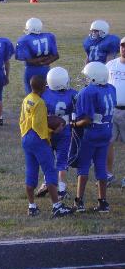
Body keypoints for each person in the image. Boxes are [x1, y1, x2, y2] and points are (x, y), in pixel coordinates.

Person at [19, 75, 74, 218]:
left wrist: (25, 134)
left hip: (26, 137)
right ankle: (56, 206)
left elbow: (23, 120)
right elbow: (39, 125)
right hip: (38, 139)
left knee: (31, 171)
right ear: (43, 87)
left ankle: (31, 206)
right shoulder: (40, 103)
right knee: (50, 171)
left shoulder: (27, 99)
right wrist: (51, 132)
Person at [72, 62, 116, 213]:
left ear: (95, 77)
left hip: (92, 132)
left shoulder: (88, 92)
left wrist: (74, 124)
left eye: (87, 76)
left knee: (83, 166)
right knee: (101, 167)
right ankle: (103, 202)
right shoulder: (111, 88)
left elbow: (87, 119)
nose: (85, 79)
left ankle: (79, 201)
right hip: (106, 130)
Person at [36, 67, 78, 200]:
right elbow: (77, 113)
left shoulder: (44, 93)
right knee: (62, 161)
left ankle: (46, 183)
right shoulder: (72, 94)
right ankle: (61, 189)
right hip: (64, 130)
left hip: (48, 130)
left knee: (48, 159)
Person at [15, 18, 59, 94]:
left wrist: (39, 61)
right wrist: (45, 62)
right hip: (45, 69)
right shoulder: (49, 36)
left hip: (31, 70)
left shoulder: (24, 40)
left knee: (31, 95)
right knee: (45, 93)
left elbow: (29, 60)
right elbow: (56, 56)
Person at [105, 36, 125, 187]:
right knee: (108, 143)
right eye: (122, 46)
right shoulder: (110, 65)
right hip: (111, 110)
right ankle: (108, 174)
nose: (124, 49)